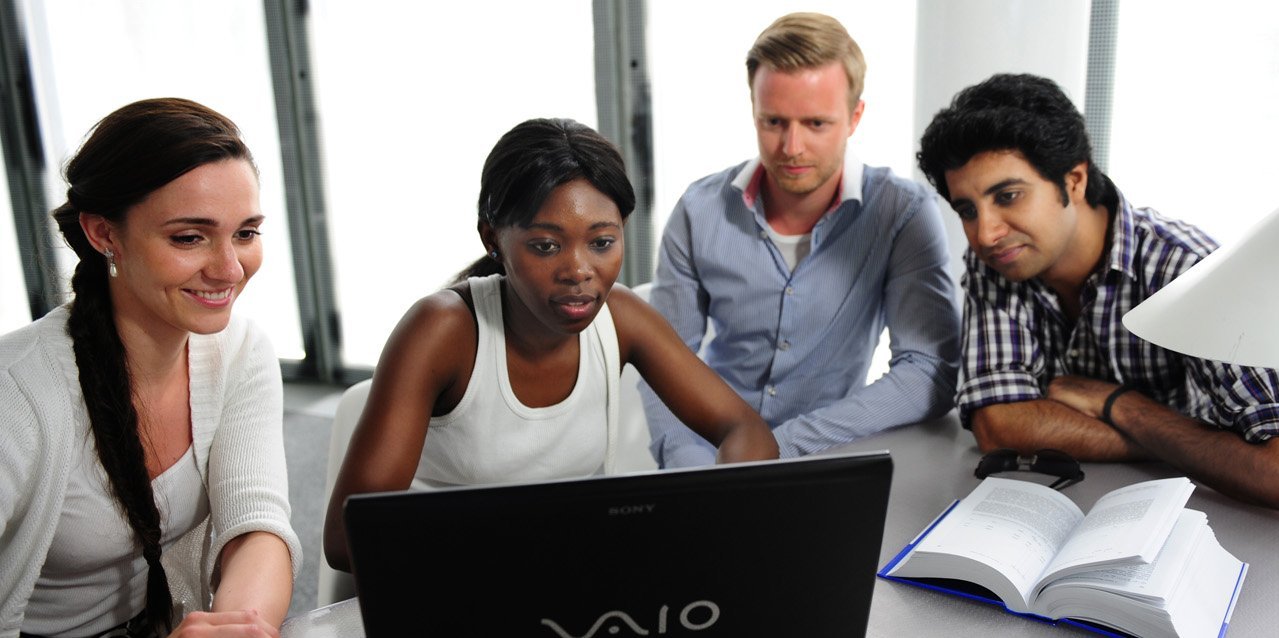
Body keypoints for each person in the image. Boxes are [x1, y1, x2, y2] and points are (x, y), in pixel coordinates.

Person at [323, 118, 779, 571]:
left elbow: (744, 429)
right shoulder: (441, 330)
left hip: (571, 577)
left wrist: (716, 515)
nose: (578, 271)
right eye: (545, 246)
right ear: (493, 238)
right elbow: (347, 538)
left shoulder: (622, 317)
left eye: (602, 242)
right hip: (444, 578)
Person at [0, 98, 301, 637]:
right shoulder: (15, 393)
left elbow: (256, 523)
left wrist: (235, 627)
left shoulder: (239, 349)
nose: (229, 269)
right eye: (189, 237)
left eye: (245, 233)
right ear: (104, 234)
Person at [917, 73, 1279, 508]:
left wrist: (1121, 406)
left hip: (1196, 516)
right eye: (967, 210)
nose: (986, 233)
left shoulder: (1186, 267)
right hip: (1067, 502)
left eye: (1008, 196)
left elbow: (1274, 469)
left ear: (1074, 180)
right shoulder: (999, 259)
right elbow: (997, 424)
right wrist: (1186, 442)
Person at [639, 12, 961, 468]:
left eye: (816, 124)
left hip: (828, 458)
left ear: (854, 117)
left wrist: (779, 448)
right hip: (710, 456)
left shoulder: (902, 212)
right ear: (753, 109)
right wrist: (693, 472)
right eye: (773, 122)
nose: (791, 147)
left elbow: (928, 369)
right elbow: (661, 363)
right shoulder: (699, 210)